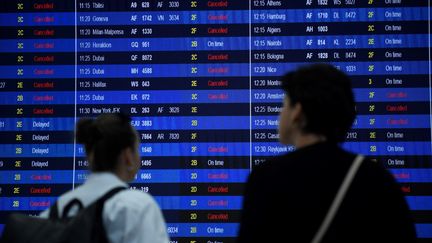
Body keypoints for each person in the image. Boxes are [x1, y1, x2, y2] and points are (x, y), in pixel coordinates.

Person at [237, 64, 416, 243]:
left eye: (284, 105)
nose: (280, 113)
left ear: (297, 112)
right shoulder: (377, 178)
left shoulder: (267, 178)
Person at [40, 113, 170, 243]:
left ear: (90, 156)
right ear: (128, 156)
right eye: (137, 149)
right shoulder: (136, 207)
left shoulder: (54, 212)